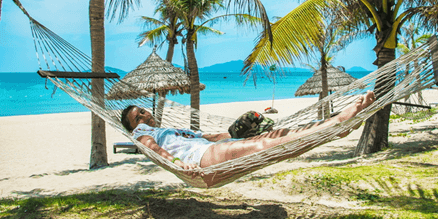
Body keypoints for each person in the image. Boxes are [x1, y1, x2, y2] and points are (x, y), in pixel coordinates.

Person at [121, 91, 376, 170]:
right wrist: (177, 163)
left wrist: (233, 134)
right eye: (137, 117)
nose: (144, 116)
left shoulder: (171, 130)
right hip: (197, 160)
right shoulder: (142, 133)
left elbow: (208, 136)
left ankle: (333, 129)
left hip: (210, 147)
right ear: (133, 126)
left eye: (143, 111)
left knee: (276, 136)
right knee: (265, 147)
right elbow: (152, 148)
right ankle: (338, 123)